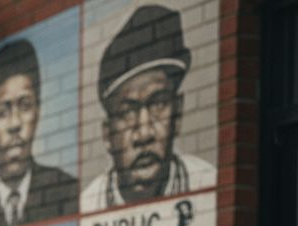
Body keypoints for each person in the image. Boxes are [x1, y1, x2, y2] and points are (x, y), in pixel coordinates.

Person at [82, 3, 216, 211]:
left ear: (177, 114)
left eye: (158, 104)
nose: (144, 134)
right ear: (108, 135)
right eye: (127, 112)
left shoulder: (208, 187)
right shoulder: (88, 205)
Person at [0, 39, 78, 226]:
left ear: (38, 114)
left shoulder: (67, 191)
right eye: (2, 111)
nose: (15, 124)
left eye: (25, 106)